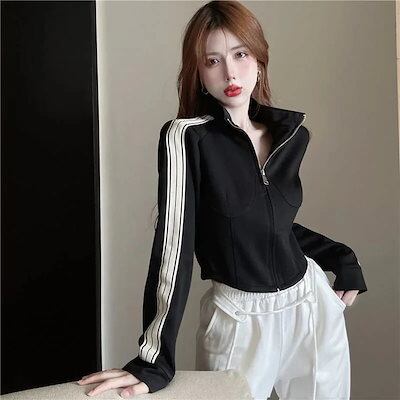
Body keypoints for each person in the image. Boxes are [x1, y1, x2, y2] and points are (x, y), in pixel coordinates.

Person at [77, 1, 368, 398]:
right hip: (239, 318)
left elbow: (270, 226)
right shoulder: (186, 138)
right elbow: (174, 247)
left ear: (259, 60)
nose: (230, 73)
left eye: (240, 54)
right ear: (198, 73)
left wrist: (342, 258)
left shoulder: (291, 136)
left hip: (310, 305)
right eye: (212, 61)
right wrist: (154, 359)